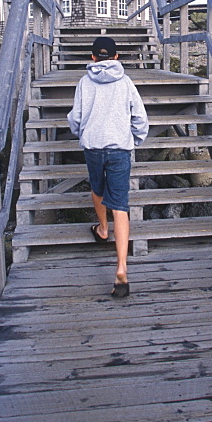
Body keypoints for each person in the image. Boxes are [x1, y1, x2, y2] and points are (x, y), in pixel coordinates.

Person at [67, 36, 149, 298]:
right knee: (121, 204)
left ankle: (102, 230)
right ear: (116, 57)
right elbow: (139, 116)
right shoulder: (125, 82)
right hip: (119, 148)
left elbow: (76, 117)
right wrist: (134, 138)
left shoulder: (84, 82)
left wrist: (81, 134)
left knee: (97, 188)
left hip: (93, 146)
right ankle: (122, 268)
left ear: (92, 58)